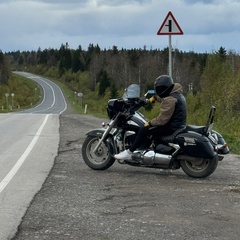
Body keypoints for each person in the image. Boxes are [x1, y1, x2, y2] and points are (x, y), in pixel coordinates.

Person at [114, 75, 187, 160]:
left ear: (165, 88)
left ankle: (129, 152)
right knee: (150, 130)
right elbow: (165, 98)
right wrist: (154, 98)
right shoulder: (176, 94)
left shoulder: (170, 99)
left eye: (160, 89)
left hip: (171, 127)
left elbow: (162, 120)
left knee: (143, 129)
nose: (159, 91)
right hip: (177, 125)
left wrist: (150, 123)